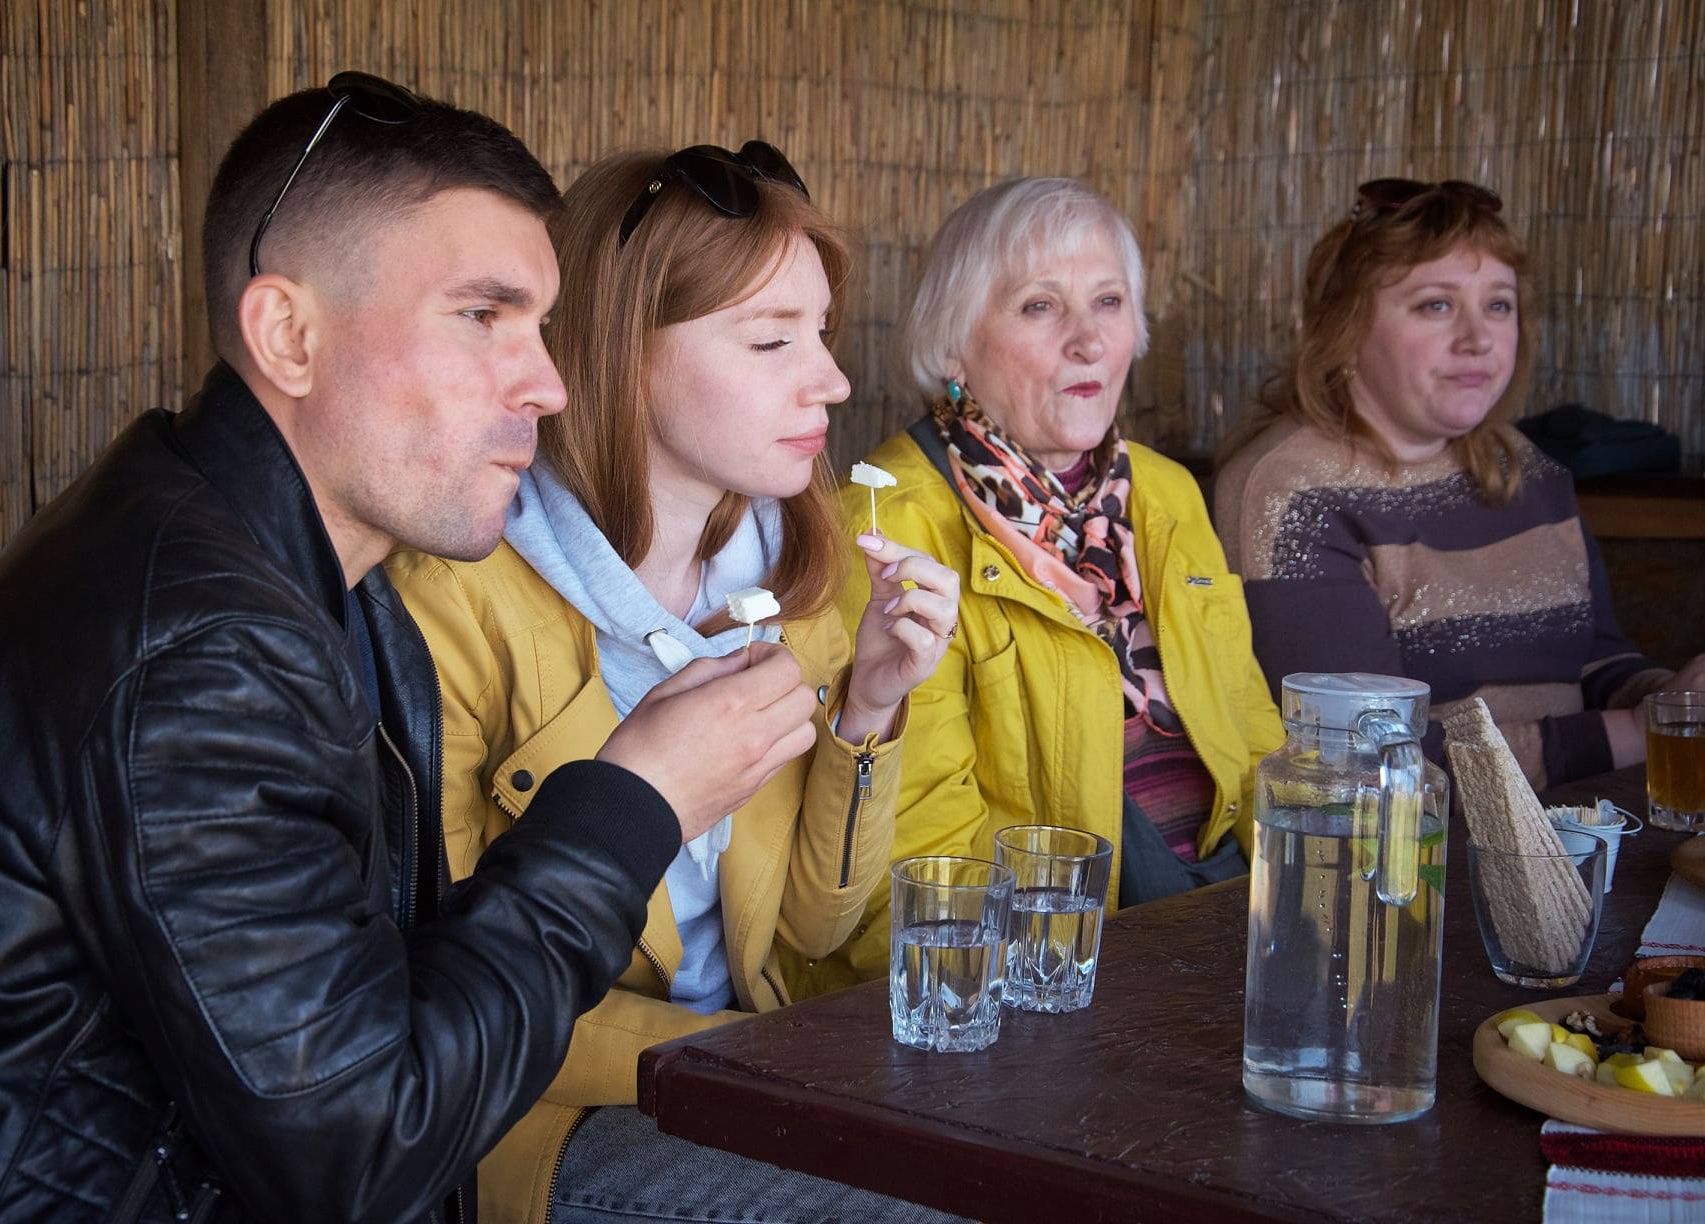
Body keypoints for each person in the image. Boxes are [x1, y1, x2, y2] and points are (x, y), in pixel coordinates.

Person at [0, 77, 818, 1223]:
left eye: (543, 328)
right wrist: (632, 805)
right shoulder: (199, 651)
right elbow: (357, 1150)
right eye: (482, 316)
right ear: (289, 335)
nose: (549, 386)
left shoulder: (307, 576)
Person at [386, 141, 964, 1224]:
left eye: (823, 333)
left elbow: (811, 930)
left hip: (758, 1064)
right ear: (622, 352)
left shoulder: (796, 571)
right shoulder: (451, 608)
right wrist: (767, 1062)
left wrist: (871, 707)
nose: (833, 379)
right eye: (772, 340)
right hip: (545, 1114)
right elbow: (454, 994)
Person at [789, 177, 1283, 994]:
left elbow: (1256, 740)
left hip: (1226, 926)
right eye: (1040, 307)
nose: (1088, 341)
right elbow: (919, 860)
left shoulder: (1164, 495)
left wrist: (1298, 928)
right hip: (1053, 968)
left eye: (1108, 302)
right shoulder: (886, 530)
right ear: (954, 346)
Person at [1213, 178, 1702, 789]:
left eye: (1498, 305)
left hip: (1586, 820)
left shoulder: (1522, 464)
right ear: (1347, 328)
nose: (1478, 338)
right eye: (1436, 305)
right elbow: (1369, 761)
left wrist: (1675, 700)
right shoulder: (1294, 491)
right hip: (1422, 843)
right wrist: (1638, 733)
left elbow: (1597, 659)